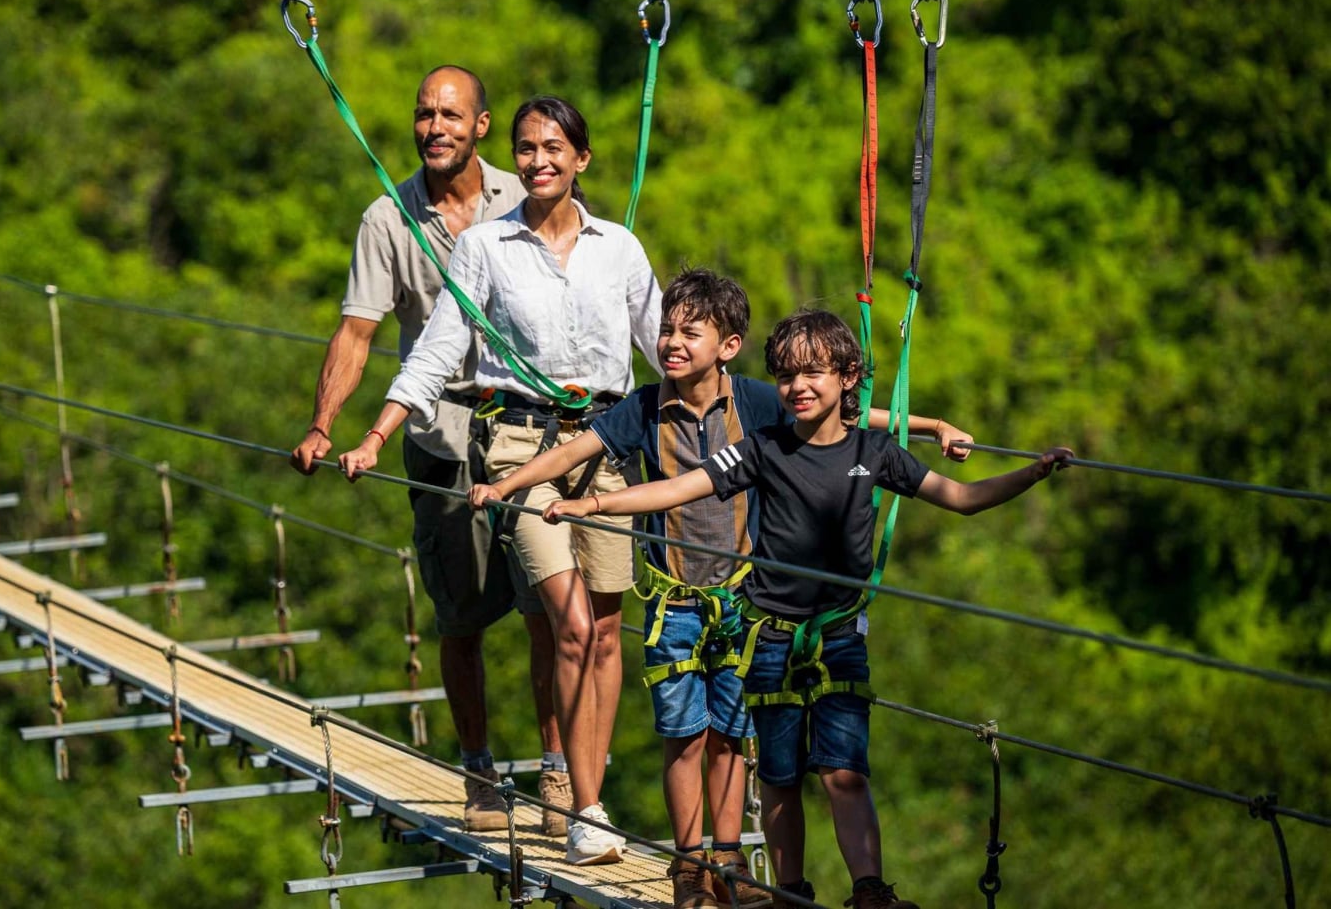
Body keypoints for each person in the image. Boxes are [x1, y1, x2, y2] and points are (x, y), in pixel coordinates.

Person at [470, 271, 972, 909]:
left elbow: (843, 414)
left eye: (689, 332)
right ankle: (689, 862)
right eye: (666, 330)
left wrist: (929, 427)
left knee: (733, 732)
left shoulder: (759, 402)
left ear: (727, 345)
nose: (671, 343)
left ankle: (729, 859)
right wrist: (509, 487)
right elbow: (576, 453)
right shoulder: (646, 406)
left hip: (743, 601)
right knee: (684, 733)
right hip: (674, 595)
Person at [544, 308, 1072, 909]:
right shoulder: (762, 449)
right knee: (779, 778)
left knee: (844, 772)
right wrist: (596, 508)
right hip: (768, 639)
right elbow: (677, 488)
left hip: (838, 635)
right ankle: (789, 891)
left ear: (848, 378)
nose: (797, 387)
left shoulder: (876, 452)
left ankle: (869, 890)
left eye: (813, 373)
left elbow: (963, 498)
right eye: (787, 375)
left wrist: (1032, 473)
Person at [340, 95, 662, 865]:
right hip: (520, 452)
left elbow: (668, 351)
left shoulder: (620, 248)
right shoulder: (485, 246)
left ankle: (583, 781)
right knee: (572, 623)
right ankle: (587, 803)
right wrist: (378, 432)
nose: (538, 160)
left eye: (554, 148)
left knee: (608, 634)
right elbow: (439, 345)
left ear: (582, 160)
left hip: (608, 449)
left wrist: (749, 433)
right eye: (526, 148)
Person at [288, 65, 567, 836]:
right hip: (442, 443)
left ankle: (557, 773)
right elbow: (358, 329)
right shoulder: (389, 218)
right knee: (461, 614)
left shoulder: (530, 191)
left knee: (549, 608)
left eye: (451, 115)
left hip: (530, 439)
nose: (434, 127)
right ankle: (479, 770)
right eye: (422, 115)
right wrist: (324, 423)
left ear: (481, 127)